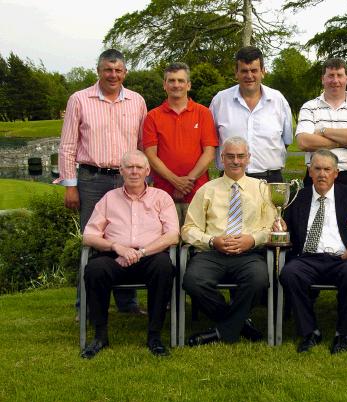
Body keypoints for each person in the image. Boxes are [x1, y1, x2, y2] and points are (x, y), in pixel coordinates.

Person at [56, 48, 147, 314]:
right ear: (98, 71)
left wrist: (146, 179)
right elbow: (67, 146)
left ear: (125, 72)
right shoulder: (79, 99)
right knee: (93, 241)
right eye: (108, 69)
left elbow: (142, 145)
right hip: (91, 179)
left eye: (118, 70)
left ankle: (126, 304)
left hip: (127, 180)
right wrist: (70, 185)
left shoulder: (137, 101)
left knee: (128, 239)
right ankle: (85, 306)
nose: (113, 75)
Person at [80, 151, 179, 359]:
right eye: (129, 167)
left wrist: (140, 252)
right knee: (95, 270)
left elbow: (172, 236)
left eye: (139, 167)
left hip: (150, 257)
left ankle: (154, 337)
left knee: (164, 267)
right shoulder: (109, 199)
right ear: (121, 171)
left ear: (147, 171)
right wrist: (117, 247)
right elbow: (88, 236)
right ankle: (100, 336)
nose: (134, 171)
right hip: (115, 258)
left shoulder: (161, 198)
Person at [181, 137, 276, 345]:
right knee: (193, 281)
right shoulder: (207, 189)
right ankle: (238, 323)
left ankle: (220, 331)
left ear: (248, 159)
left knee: (259, 279)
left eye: (241, 156)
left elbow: (271, 227)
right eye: (230, 156)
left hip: (248, 254)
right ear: (222, 159)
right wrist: (212, 240)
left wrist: (251, 240)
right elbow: (188, 229)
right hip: (212, 253)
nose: (236, 161)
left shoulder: (261, 188)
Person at [278, 150, 347, 354]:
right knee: (289, 273)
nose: (322, 174)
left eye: (327, 169)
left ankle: (343, 333)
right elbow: (289, 231)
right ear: (309, 172)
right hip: (307, 258)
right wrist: (282, 229)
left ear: (336, 173)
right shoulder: (298, 197)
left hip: (342, 257)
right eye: (317, 169)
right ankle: (310, 331)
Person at [143, 62, 218, 225]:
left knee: (196, 244)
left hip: (197, 192)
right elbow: (150, 155)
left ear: (188, 85)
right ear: (164, 85)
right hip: (163, 193)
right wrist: (175, 181)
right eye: (171, 80)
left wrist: (187, 182)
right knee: (166, 242)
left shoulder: (203, 113)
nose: (176, 85)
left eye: (180, 80)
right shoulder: (152, 116)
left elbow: (209, 152)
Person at [210, 46, 293, 183]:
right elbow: (211, 142)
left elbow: (286, 141)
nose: (249, 76)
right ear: (236, 72)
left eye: (254, 70)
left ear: (263, 72)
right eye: (244, 71)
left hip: (269, 181)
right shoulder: (220, 101)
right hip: (230, 181)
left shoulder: (278, 100)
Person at [296, 58, 347, 188]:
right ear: (323, 79)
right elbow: (303, 142)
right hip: (316, 176)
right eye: (330, 75)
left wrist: (324, 131)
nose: (335, 80)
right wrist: (343, 142)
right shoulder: (309, 107)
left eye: (339, 75)